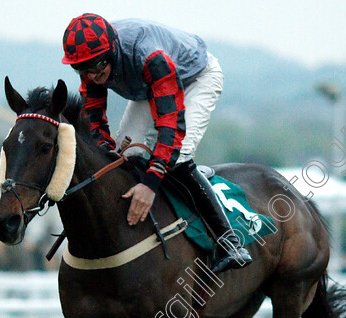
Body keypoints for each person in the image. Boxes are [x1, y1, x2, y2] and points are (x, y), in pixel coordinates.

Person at [61, 13, 251, 273]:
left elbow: (169, 129)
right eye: (84, 70)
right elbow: (94, 120)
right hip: (147, 86)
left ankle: (228, 240)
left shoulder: (149, 57)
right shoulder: (91, 61)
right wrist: (107, 153)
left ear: (112, 49)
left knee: (178, 158)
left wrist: (150, 184)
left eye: (98, 66)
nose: (93, 76)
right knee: (123, 154)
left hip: (195, 78)